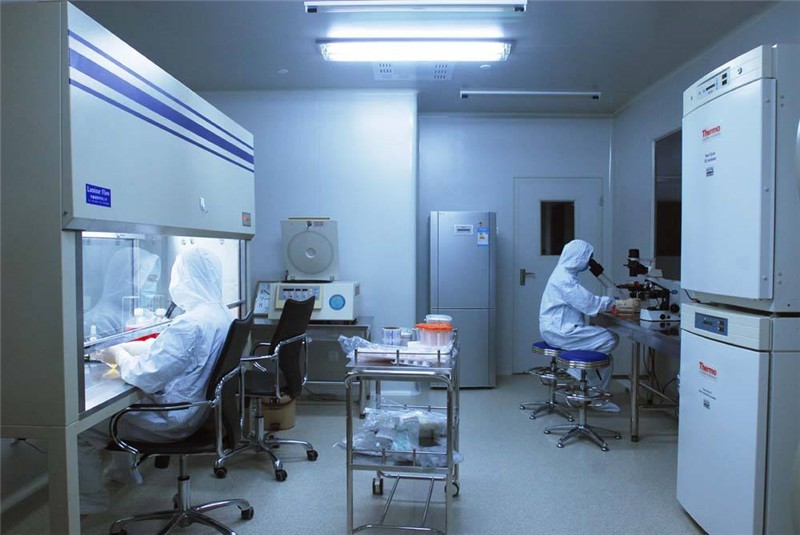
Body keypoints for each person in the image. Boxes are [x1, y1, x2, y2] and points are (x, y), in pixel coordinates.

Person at [78, 248, 234, 514]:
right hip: (201, 412)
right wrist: (131, 347)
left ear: (186, 277)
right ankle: (124, 474)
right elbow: (171, 350)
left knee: (83, 429)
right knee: (114, 414)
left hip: (174, 418)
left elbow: (145, 376)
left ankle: (91, 502)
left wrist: (118, 355)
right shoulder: (220, 315)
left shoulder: (191, 324)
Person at [539, 239, 620, 412]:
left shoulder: (563, 274)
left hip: (558, 328)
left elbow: (584, 302)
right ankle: (579, 376)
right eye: (588, 258)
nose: (589, 262)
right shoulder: (564, 279)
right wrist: (616, 303)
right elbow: (588, 303)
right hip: (560, 331)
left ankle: (595, 393)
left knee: (604, 356)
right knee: (610, 338)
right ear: (578, 258)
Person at [84, 248, 161, 339]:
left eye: (156, 280)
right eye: (150, 279)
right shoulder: (99, 320)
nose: (154, 286)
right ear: (126, 279)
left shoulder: (141, 314)